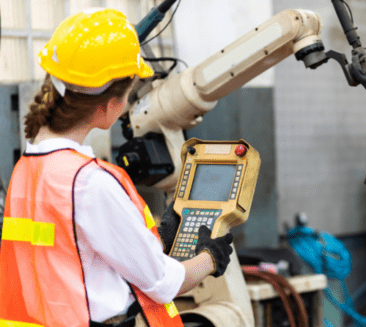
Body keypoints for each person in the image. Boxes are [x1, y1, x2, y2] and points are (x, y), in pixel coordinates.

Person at [0, 8, 233, 327]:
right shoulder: (90, 182)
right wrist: (211, 258)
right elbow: (164, 285)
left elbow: (74, 257)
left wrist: (154, 240)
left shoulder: (27, 169)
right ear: (109, 106)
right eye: (126, 96)